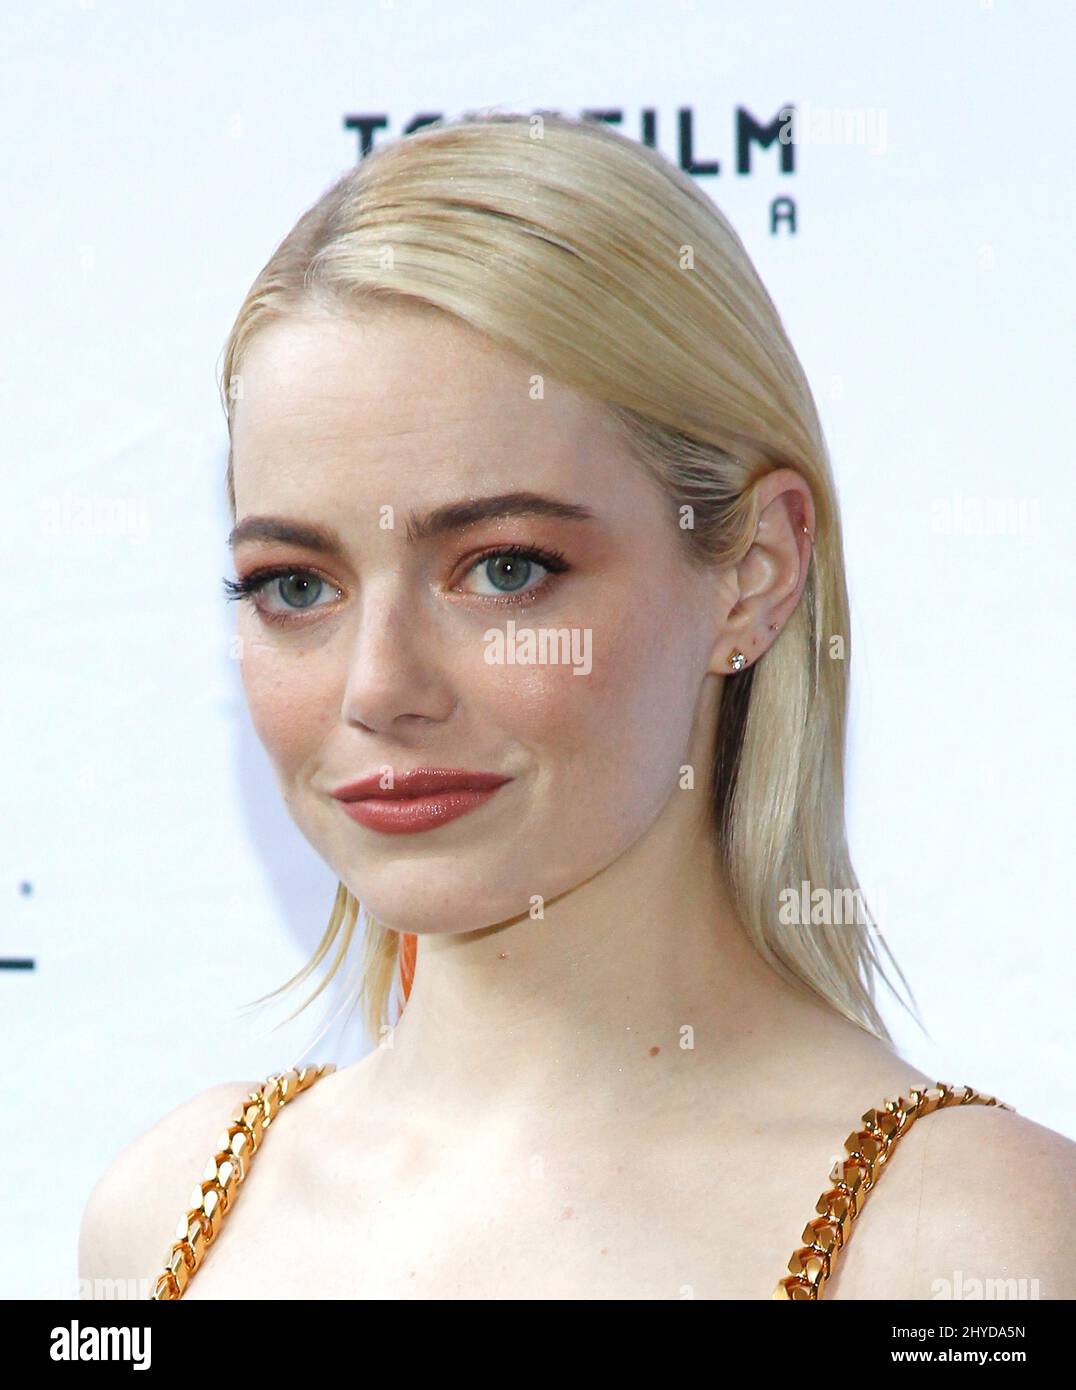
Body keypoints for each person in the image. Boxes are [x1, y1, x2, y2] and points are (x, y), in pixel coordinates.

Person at [79, 112, 1074, 1300]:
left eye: (503, 568)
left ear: (752, 571)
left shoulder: (968, 1250)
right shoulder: (169, 1214)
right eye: (295, 585)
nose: (380, 687)